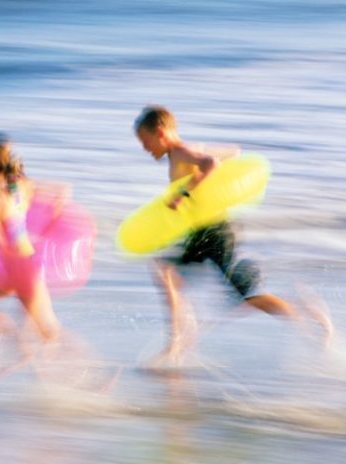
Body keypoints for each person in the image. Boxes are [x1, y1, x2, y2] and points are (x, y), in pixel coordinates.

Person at [133, 105, 334, 363]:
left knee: (249, 297)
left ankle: (306, 316)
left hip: (214, 234)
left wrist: (184, 195)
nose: (145, 148)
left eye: (145, 141)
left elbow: (211, 163)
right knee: (165, 273)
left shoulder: (181, 152)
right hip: (202, 233)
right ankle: (179, 339)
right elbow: (233, 152)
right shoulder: (182, 152)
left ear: (160, 132)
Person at [0, 132, 64, 376]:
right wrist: (46, 229)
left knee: (47, 330)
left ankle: (71, 378)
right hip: (27, 262)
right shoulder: (21, 185)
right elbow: (61, 192)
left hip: (14, 268)